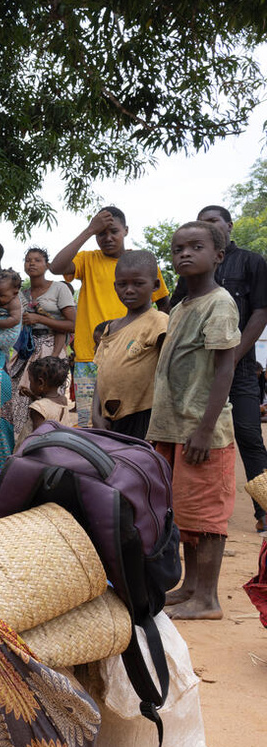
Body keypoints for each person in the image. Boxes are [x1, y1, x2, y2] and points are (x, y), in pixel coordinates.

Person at [150, 221, 240, 620]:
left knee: (206, 516)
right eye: (177, 248)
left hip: (203, 430)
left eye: (195, 247)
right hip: (173, 426)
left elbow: (225, 368)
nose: (184, 253)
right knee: (184, 512)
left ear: (218, 255)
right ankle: (189, 586)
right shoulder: (182, 305)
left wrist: (204, 428)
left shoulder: (219, 303)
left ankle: (208, 598)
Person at [171, 205, 267, 532]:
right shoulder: (192, 271)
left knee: (249, 435)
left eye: (212, 222)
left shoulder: (252, 262)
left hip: (238, 369)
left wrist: (235, 354)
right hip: (198, 373)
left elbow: (260, 312)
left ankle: (264, 510)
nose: (207, 227)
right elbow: (176, 310)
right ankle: (197, 515)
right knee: (196, 434)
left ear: (228, 225)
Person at [50, 207, 170, 426]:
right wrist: (88, 230)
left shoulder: (143, 264)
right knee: (92, 424)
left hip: (136, 355)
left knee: (134, 420)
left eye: (113, 231)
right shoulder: (87, 260)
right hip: (90, 356)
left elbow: (164, 304)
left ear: (126, 230)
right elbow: (56, 267)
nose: (107, 238)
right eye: (101, 233)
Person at [92, 250, 168, 439]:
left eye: (138, 283)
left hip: (144, 415)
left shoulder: (158, 322)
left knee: (139, 464)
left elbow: (172, 371)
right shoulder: (111, 328)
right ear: (115, 286)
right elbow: (101, 374)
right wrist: (96, 414)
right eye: (122, 284)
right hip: (109, 419)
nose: (129, 290)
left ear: (155, 285)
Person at [6, 247, 77, 443]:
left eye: (37, 260)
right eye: (28, 260)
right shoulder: (21, 293)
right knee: (19, 404)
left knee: (48, 404)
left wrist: (39, 318)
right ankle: (21, 451)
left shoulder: (59, 289)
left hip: (51, 351)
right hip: (25, 352)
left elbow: (72, 324)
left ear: (46, 264)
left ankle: (51, 447)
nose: (32, 263)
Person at [0, 269, 23, 463]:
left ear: (15, 293)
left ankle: (2, 463)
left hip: (1, 350)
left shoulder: (14, 303)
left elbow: (14, 321)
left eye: (1, 295)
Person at [22, 356, 77, 430]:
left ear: (41, 383)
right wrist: (32, 396)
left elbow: (38, 436)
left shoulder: (37, 409)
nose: (29, 384)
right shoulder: (63, 400)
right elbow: (49, 406)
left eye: (30, 381)